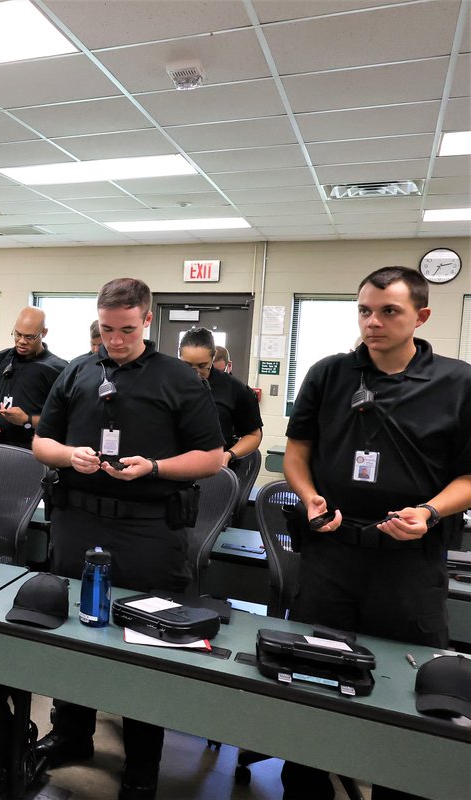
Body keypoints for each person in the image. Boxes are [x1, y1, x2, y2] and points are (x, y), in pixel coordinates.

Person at [280, 266, 471, 800]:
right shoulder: (329, 374)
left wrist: (429, 512)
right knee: (312, 672)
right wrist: (309, 496)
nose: (373, 322)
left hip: (408, 562)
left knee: (406, 686)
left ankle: (396, 783)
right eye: (365, 310)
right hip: (332, 553)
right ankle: (305, 785)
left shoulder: (457, 383)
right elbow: (298, 453)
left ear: (421, 316)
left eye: (389, 311)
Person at [31, 278, 224, 800]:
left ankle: (142, 761)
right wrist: (69, 455)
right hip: (78, 521)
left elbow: (212, 458)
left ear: (147, 321)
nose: (115, 341)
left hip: (149, 529)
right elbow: (41, 442)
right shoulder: (77, 371)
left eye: (126, 330)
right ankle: (72, 732)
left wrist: (154, 467)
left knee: (145, 640)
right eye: (106, 330)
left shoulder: (178, 378)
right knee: (74, 628)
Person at [0, 307, 68, 449]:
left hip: (31, 451)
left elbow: (64, 419)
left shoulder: (58, 369)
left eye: (29, 337)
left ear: (44, 333)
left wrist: (27, 420)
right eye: (18, 334)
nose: (22, 341)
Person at [178, 327, 263, 468]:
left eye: (202, 366)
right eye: (187, 365)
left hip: (214, 469)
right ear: (179, 356)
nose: (194, 373)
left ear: (212, 358)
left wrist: (228, 455)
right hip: (171, 465)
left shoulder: (234, 388)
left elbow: (254, 435)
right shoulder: (164, 383)